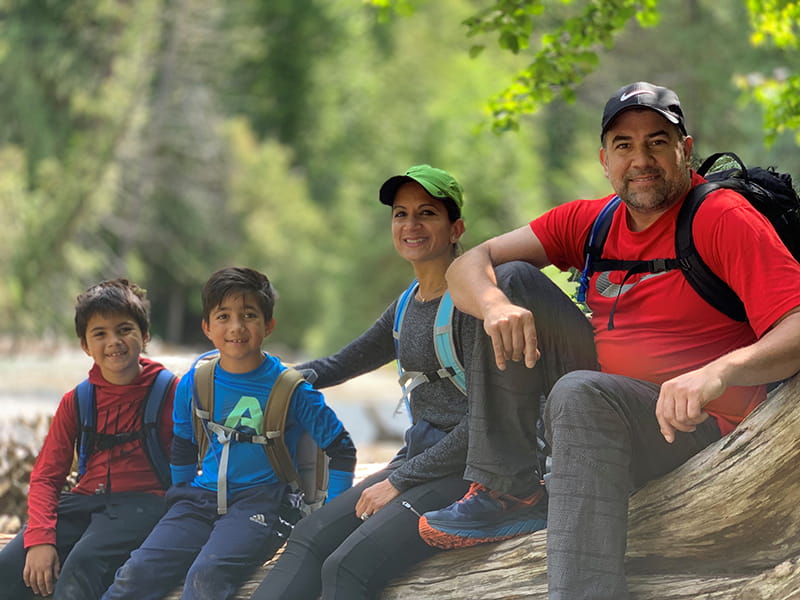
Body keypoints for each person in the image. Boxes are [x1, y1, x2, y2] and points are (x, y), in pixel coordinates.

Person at [418, 82, 800, 599]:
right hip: (602, 406)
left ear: (685, 149)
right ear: (604, 159)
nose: (641, 159)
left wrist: (720, 372)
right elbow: (467, 263)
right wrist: (495, 308)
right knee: (508, 280)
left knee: (579, 393)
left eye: (657, 142)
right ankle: (509, 491)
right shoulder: (591, 221)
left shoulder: (721, 218)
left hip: (700, 423)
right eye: (624, 145)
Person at [251, 165, 597, 600]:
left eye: (426, 214)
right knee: (307, 538)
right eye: (400, 214)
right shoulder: (406, 305)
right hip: (420, 458)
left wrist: (398, 481)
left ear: (456, 229)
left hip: (471, 469)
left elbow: (488, 426)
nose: (410, 226)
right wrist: (269, 379)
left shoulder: (479, 305)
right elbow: (343, 362)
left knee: (346, 568)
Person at [101, 267, 357, 600]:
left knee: (206, 576)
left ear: (268, 325)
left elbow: (341, 449)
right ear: (207, 326)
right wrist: (178, 495)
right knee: (135, 572)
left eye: (249, 315)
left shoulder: (291, 389)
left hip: (263, 503)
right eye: (223, 316)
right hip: (199, 499)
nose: (236, 327)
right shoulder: (194, 380)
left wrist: (329, 520)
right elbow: (183, 445)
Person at [0, 279, 178, 600]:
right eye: (100, 334)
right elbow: (46, 476)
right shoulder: (77, 400)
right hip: (83, 501)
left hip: (144, 503)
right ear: (85, 346)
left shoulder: (171, 391)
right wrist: (40, 538)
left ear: (145, 335)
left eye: (125, 329)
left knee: (79, 568)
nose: (114, 342)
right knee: (10, 567)